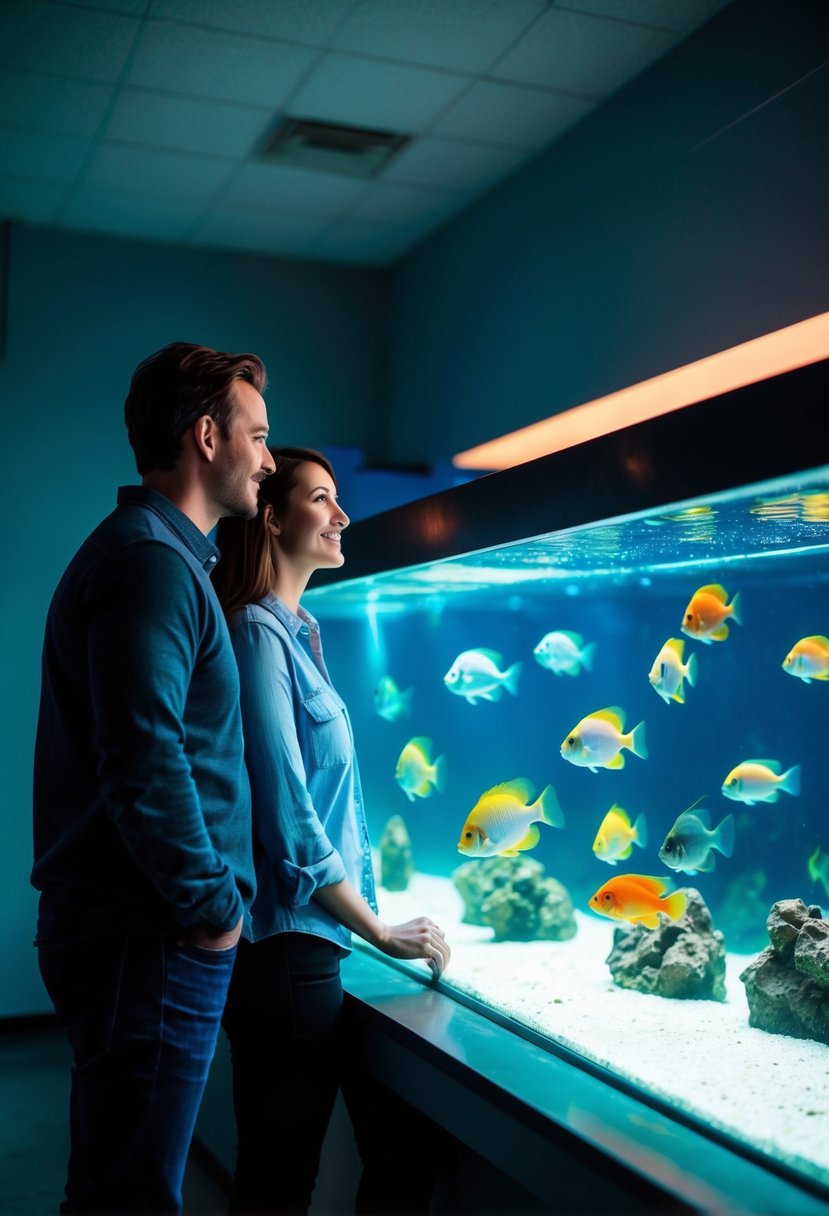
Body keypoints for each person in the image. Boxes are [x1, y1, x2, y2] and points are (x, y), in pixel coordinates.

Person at [31, 342, 276, 1215]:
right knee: (131, 1197)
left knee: (111, 1184)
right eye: (258, 435)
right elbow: (143, 756)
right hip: (154, 935)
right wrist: (212, 911)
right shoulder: (152, 564)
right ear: (208, 437)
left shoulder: (157, 557)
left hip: (142, 931)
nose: (270, 460)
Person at [212, 446, 451, 1215]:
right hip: (288, 955)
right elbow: (288, 819)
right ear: (273, 517)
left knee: (382, 1159)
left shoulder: (299, 632)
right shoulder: (255, 633)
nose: (343, 514)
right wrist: (379, 930)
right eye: (321, 499)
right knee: (277, 1180)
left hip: (320, 947)